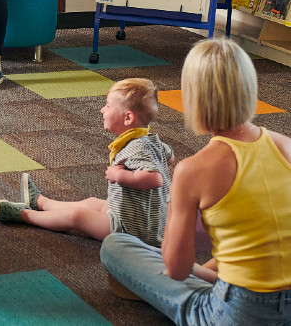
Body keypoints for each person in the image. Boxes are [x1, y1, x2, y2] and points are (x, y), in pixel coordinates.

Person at [101, 39, 291, 324]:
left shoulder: (192, 169)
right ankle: (216, 276)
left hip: (234, 313)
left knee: (115, 247)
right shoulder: (286, 146)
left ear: (194, 98)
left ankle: (213, 281)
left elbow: (176, 269)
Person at [0, 79, 174, 246]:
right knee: (94, 203)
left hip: (131, 231)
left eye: (108, 106)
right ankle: (41, 202)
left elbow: (155, 179)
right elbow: (170, 157)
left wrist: (120, 175)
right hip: (137, 216)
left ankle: (25, 215)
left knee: (76, 216)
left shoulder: (137, 147)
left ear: (128, 118)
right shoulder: (150, 140)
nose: (102, 109)